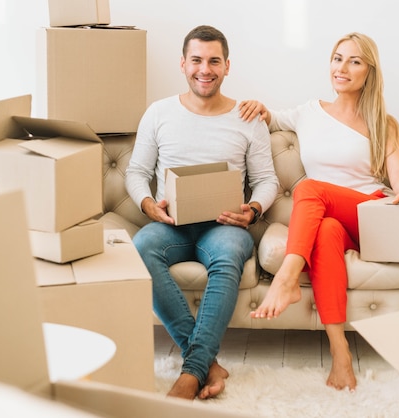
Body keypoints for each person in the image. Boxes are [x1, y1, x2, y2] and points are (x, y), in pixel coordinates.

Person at [239, 32, 399, 392]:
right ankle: (340, 354)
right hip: (327, 219)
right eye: (337, 58)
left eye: (354, 61)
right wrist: (257, 108)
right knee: (323, 231)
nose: (342, 67)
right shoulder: (308, 112)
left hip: (368, 213)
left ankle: (286, 279)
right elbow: (271, 117)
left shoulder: (382, 123)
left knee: (309, 188)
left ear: (369, 72)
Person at [125, 25, 279, 400]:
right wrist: (148, 204)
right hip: (171, 225)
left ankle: (190, 373)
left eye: (213, 61)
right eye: (196, 60)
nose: (204, 69)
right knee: (141, 248)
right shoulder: (159, 112)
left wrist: (254, 210)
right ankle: (206, 365)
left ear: (227, 66)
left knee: (227, 256)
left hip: (223, 226)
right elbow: (137, 173)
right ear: (182, 64)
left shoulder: (248, 118)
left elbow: (267, 181)